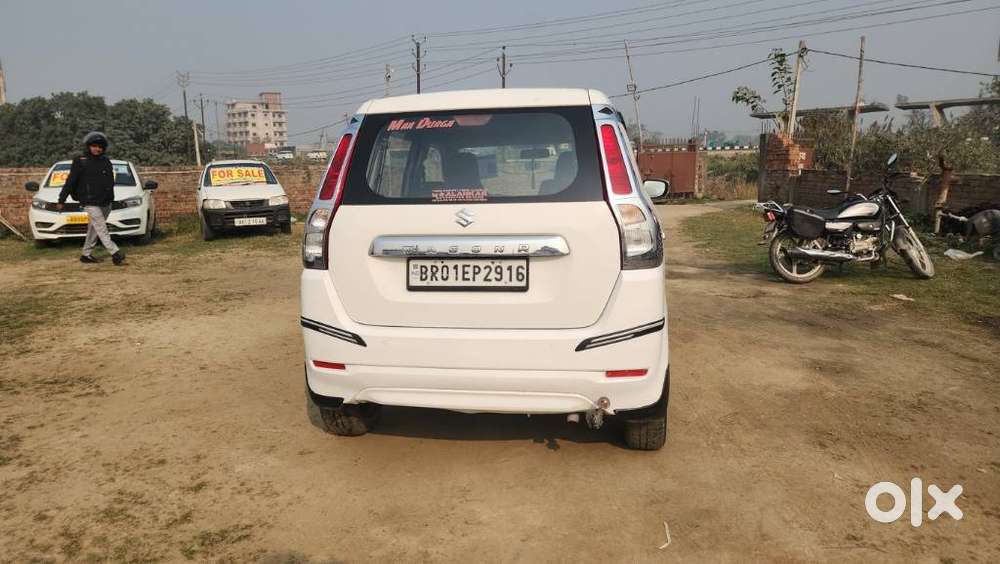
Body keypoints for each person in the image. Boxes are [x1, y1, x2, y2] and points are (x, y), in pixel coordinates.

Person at [57, 132, 126, 265]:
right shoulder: (80, 161)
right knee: (101, 227)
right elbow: (70, 181)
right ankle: (115, 252)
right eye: (94, 146)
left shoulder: (106, 162)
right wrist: (61, 200)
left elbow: (110, 182)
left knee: (95, 228)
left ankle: (86, 254)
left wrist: (111, 198)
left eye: (100, 147)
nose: (97, 149)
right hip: (89, 201)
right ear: (88, 146)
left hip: (105, 201)